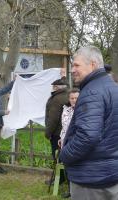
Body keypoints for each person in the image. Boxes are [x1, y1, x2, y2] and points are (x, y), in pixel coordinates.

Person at [60, 46, 118, 200]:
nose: (72, 70)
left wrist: (64, 154)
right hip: (111, 175)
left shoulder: (92, 91)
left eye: (76, 65)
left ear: (92, 64)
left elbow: (87, 136)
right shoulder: (113, 87)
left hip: (90, 180)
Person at [58, 88, 80, 199]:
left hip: (76, 144)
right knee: (68, 168)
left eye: (76, 98)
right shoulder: (66, 110)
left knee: (77, 168)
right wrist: (61, 138)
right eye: (72, 98)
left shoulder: (83, 111)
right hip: (65, 144)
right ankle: (70, 191)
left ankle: (77, 192)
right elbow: (64, 127)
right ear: (69, 99)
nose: (74, 100)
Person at [45, 78, 68, 160]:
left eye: (54, 86)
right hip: (67, 132)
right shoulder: (69, 95)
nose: (53, 88)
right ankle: (63, 172)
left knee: (57, 157)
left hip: (57, 133)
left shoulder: (56, 99)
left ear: (57, 87)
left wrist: (48, 133)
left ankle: (59, 173)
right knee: (65, 157)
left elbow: (53, 118)